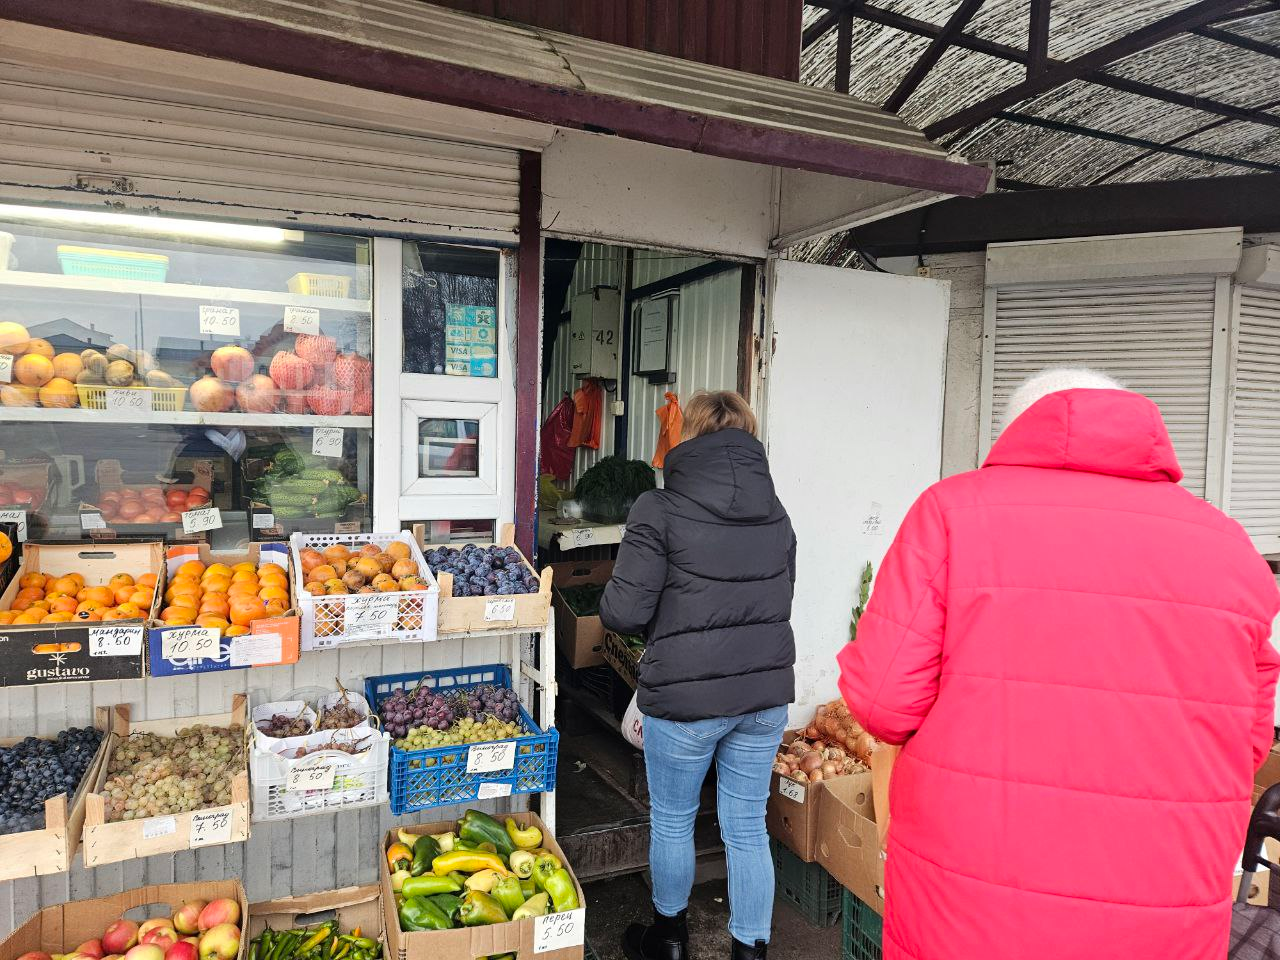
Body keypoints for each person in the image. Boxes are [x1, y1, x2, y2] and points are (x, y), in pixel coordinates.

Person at [838, 367, 1280, 960]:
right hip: (1162, 906)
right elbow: (1249, 744)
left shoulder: (953, 513)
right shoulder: (1232, 548)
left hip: (975, 903)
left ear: (1018, 429)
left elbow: (882, 701)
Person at [601, 390, 797, 960]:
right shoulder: (778, 513)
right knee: (746, 829)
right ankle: (750, 951)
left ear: (687, 438)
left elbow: (622, 613)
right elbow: (780, 596)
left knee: (673, 821)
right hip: (762, 697)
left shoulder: (658, 508)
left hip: (684, 701)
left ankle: (668, 940)